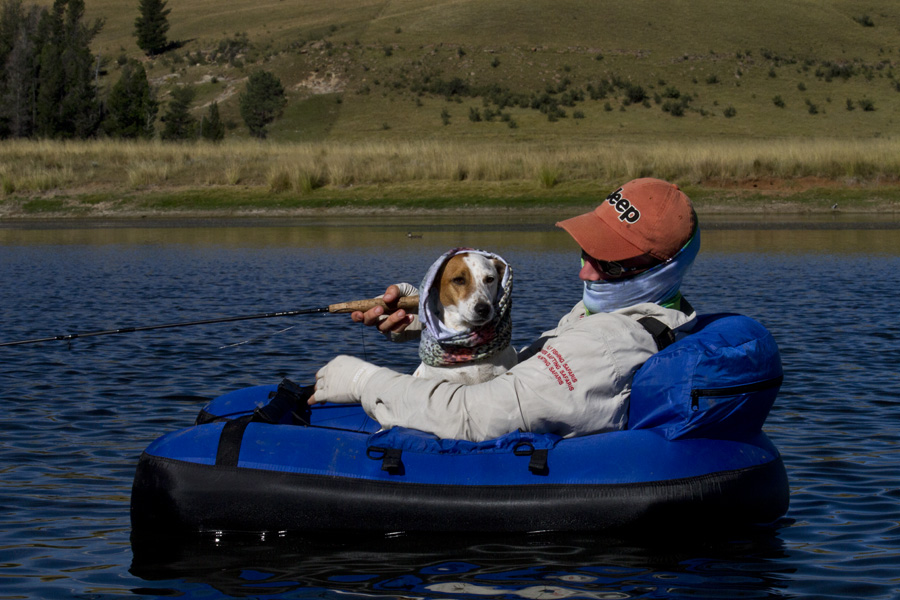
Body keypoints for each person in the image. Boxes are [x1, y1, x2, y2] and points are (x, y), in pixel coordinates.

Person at [311, 177, 701, 442]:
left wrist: (362, 380)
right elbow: (528, 365)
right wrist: (434, 320)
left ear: (662, 270)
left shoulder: (608, 348)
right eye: (587, 252)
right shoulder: (625, 313)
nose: (584, 270)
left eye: (608, 263)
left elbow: (470, 416)